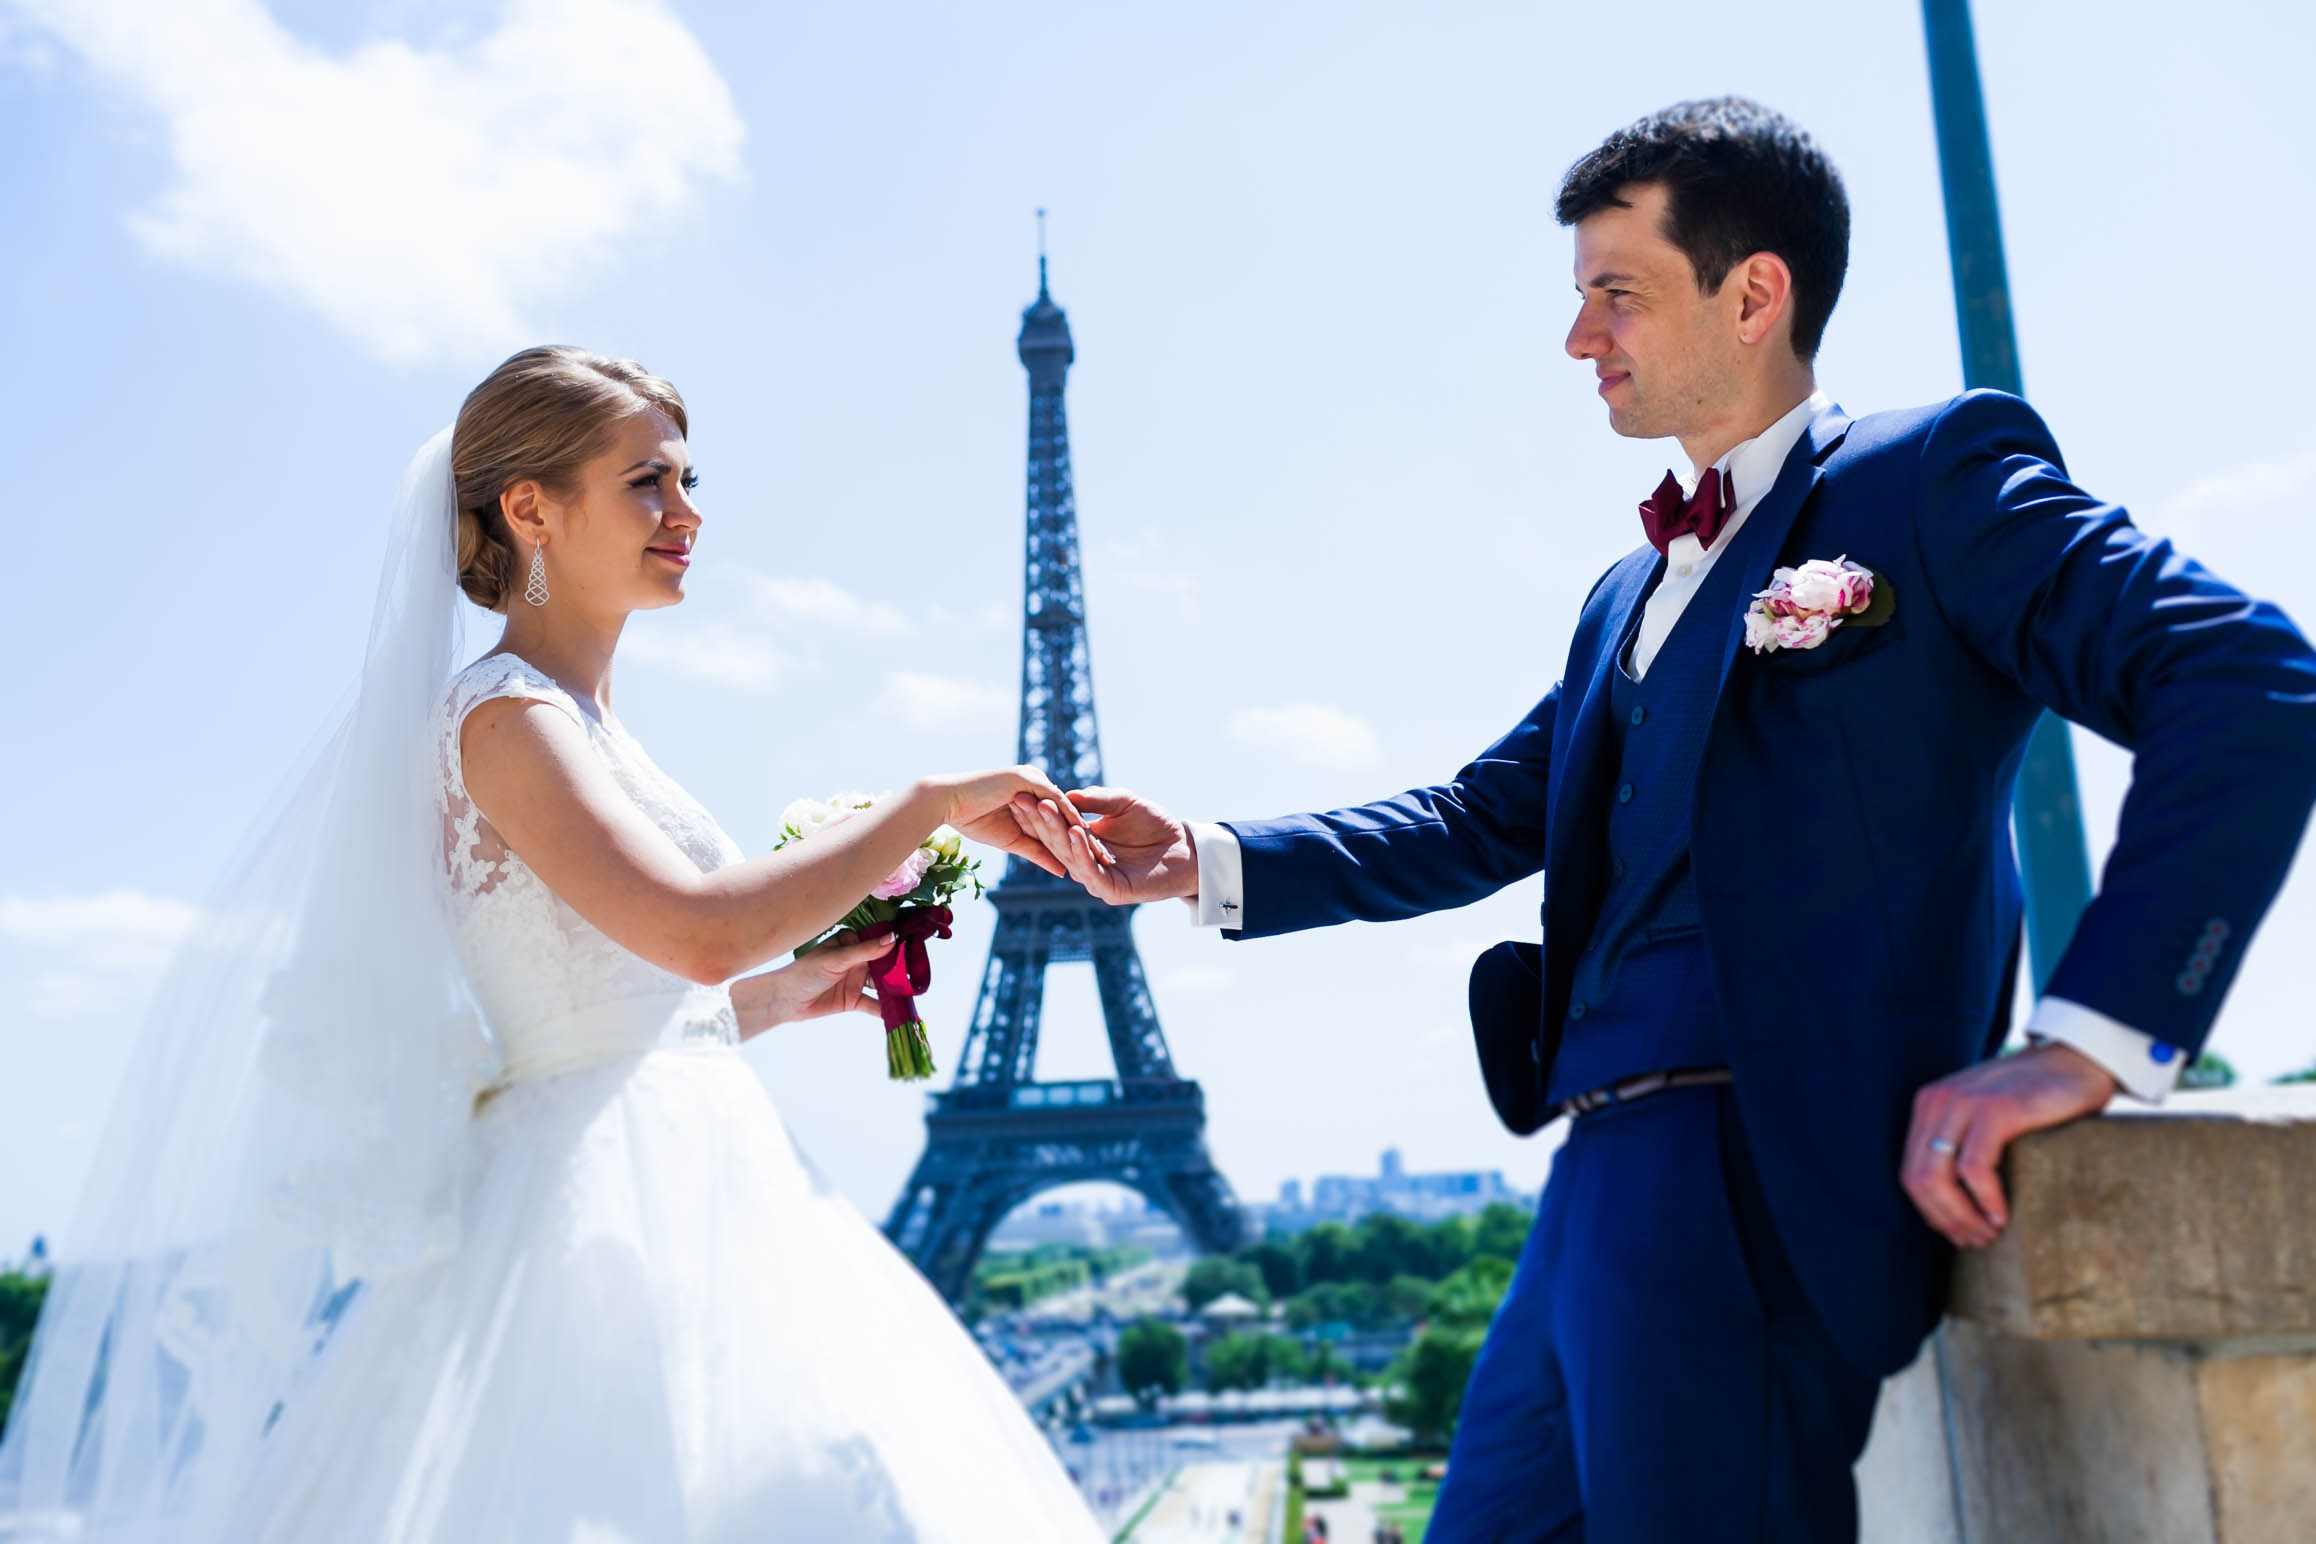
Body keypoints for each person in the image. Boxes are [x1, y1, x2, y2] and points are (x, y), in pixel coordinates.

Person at [1023, 98, 2316, 1541]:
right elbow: (1481, 813)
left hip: (1758, 1186)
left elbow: (2249, 679)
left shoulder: (1927, 480)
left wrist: (2088, 1040)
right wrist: (1202, 856)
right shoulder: (1621, 599)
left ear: (1755, 293)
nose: (1582, 340)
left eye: (1616, 295)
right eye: (1581, 301)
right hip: (1586, 1178)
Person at [0, 347, 1106, 1542]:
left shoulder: (573, 721)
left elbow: (602, 1019)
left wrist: (783, 997)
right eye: (648, 482)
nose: (688, 514)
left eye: (688, 480)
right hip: (612, 1221)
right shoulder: (510, 718)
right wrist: (931, 802)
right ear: (530, 506)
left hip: (637, 1175)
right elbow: (698, 932)